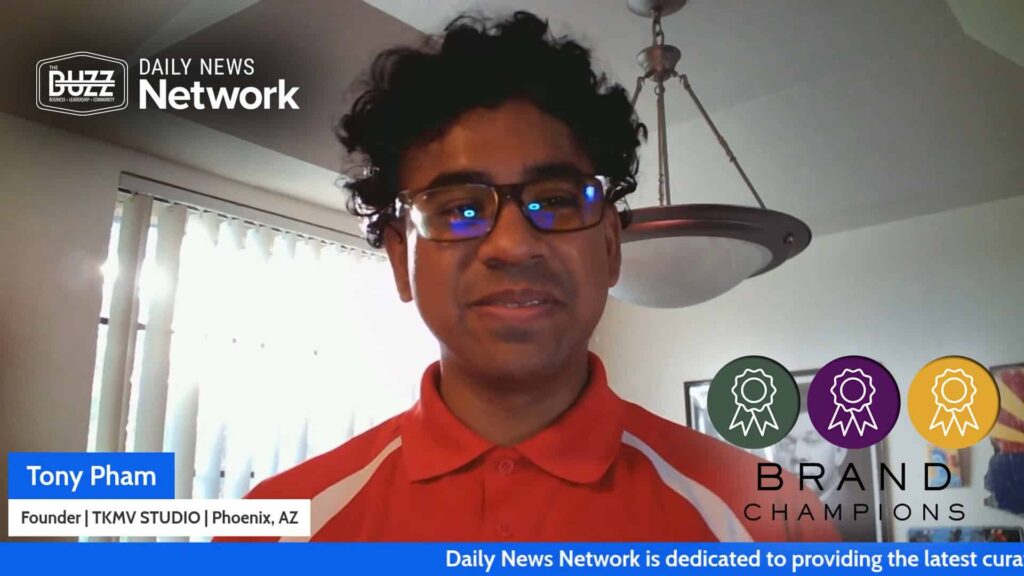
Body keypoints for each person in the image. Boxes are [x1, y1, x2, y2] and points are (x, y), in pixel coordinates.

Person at [222, 11, 837, 542]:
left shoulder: (773, 522)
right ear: (399, 260)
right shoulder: (274, 529)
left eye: (556, 200)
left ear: (610, 247)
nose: (514, 246)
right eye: (459, 209)